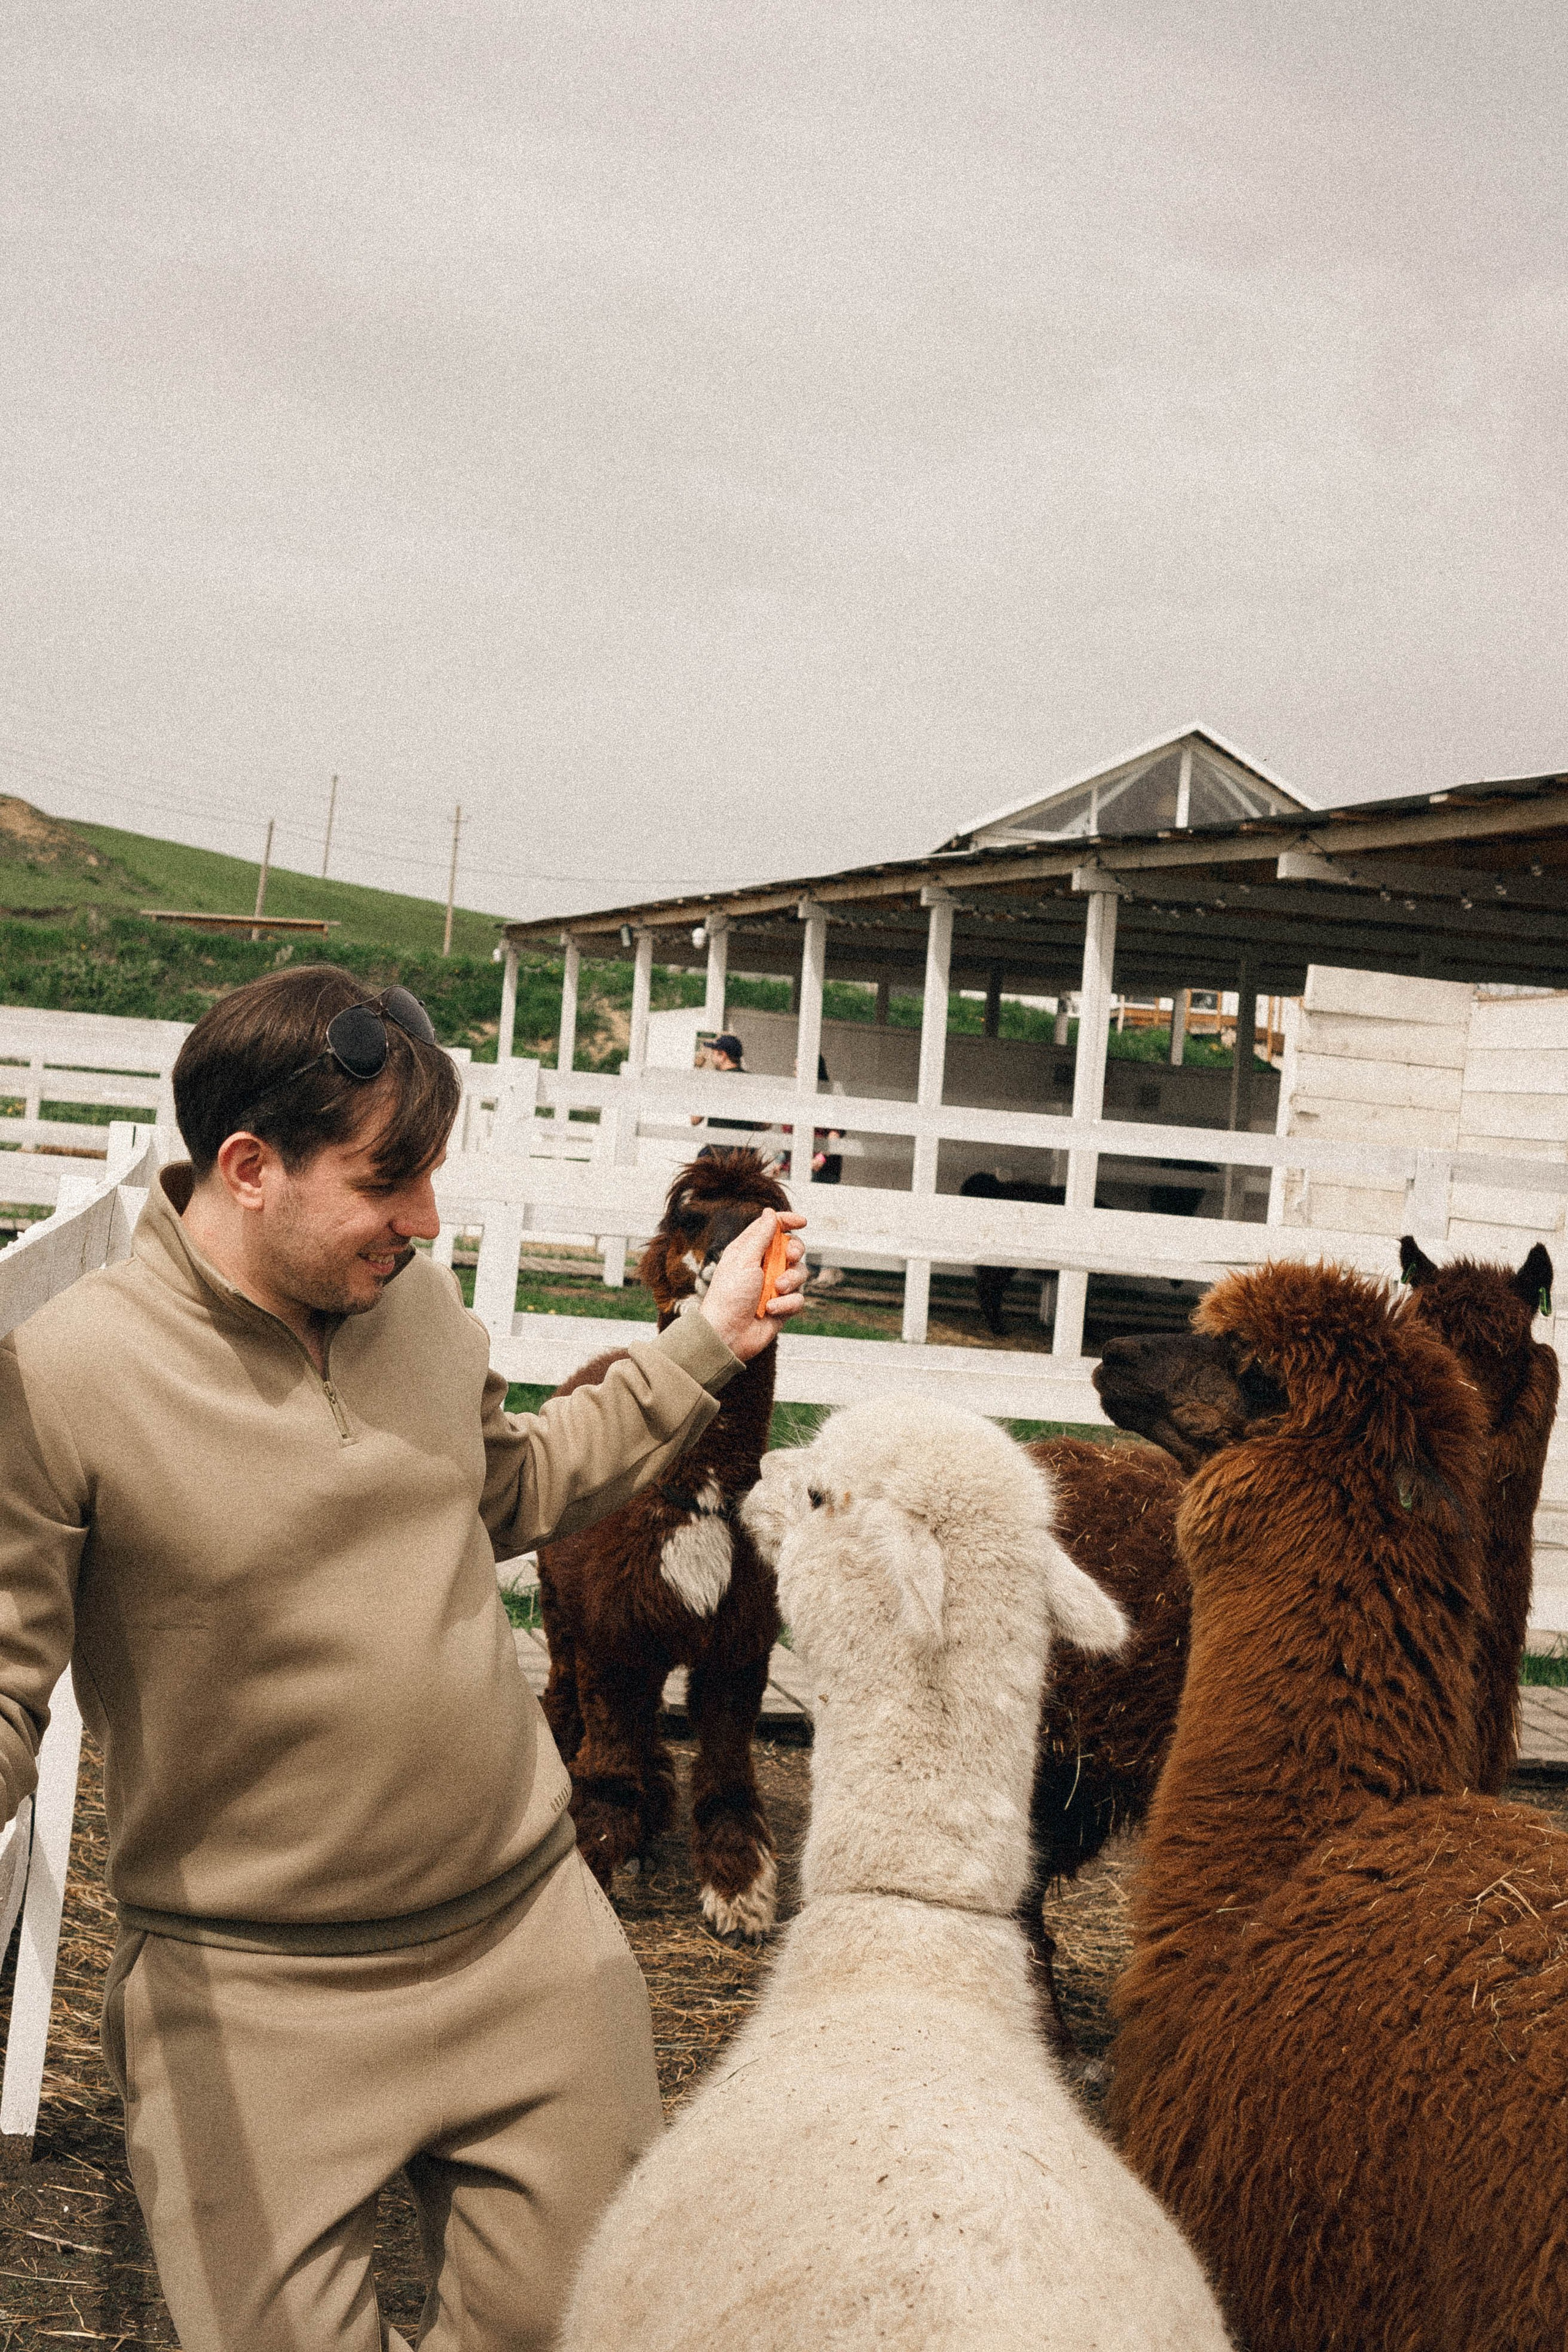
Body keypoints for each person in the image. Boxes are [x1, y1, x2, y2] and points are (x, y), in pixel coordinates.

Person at [0, 965, 806, 2352]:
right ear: (249, 1168)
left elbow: (517, 1480)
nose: (425, 1221)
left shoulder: (418, 1308)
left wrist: (708, 1341)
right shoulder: (65, 1380)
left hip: (528, 1946)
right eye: (390, 1182)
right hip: (247, 1999)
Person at [690, 1029, 771, 1151]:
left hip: (718, 1154)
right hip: (744, 1154)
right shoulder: (754, 1082)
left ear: (722, 1055)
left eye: (713, 1053)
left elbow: (695, 1119)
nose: (711, 1056)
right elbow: (765, 1125)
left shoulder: (715, 1082)